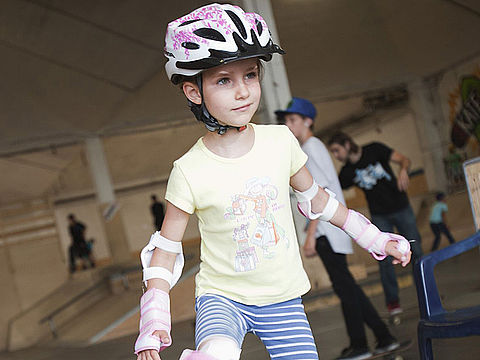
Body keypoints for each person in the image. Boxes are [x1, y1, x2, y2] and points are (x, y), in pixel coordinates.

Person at [134, 4, 412, 360]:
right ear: (193, 92)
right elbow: (165, 250)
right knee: (215, 354)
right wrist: (152, 321)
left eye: (250, 75)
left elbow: (318, 201)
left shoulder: (281, 142)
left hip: (283, 299)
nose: (243, 92)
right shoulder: (189, 169)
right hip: (222, 298)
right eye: (224, 80)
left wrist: (376, 238)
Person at [277, 97, 399, 359]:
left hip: (326, 233)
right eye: (286, 120)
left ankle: (360, 346)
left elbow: (320, 196)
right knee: (348, 288)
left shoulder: (310, 146)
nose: (288, 124)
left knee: (346, 291)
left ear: (307, 121)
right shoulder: (312, 146)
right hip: (329, 232)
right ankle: (383, 336)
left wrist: (310, 236)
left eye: (292, 119)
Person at [327, 132, 423, 316]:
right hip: (379, 216)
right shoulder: (346, 172)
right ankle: (393, 303)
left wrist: (404, 170)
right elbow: (333, 188)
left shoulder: (375, 149)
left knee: (416, 251)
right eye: (333, 153)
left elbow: (404, 159)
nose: (337, 156)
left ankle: (426, 292)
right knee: (384, 259)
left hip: (401, 207)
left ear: (347, 144)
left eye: (337, 150)